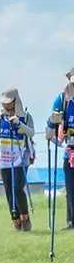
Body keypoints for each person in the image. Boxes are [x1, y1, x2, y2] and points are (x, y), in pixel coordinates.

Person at [0, 87, 35, 230]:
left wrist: (19, 123)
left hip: (21, 158)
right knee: (8, 190)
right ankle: (15, 219)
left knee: (18, 188)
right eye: (3, 103)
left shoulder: (26, 116)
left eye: (8, 102)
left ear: (15, 101)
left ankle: (25, 218)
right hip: (5, 160)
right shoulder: (0, 118)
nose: (5, 106)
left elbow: (31, 133)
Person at [46, 68, 74, 229]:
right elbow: (52, 122)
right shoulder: (62, 99)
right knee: (71, 187)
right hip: (69, 149)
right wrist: (51, 131)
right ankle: (71, 221)